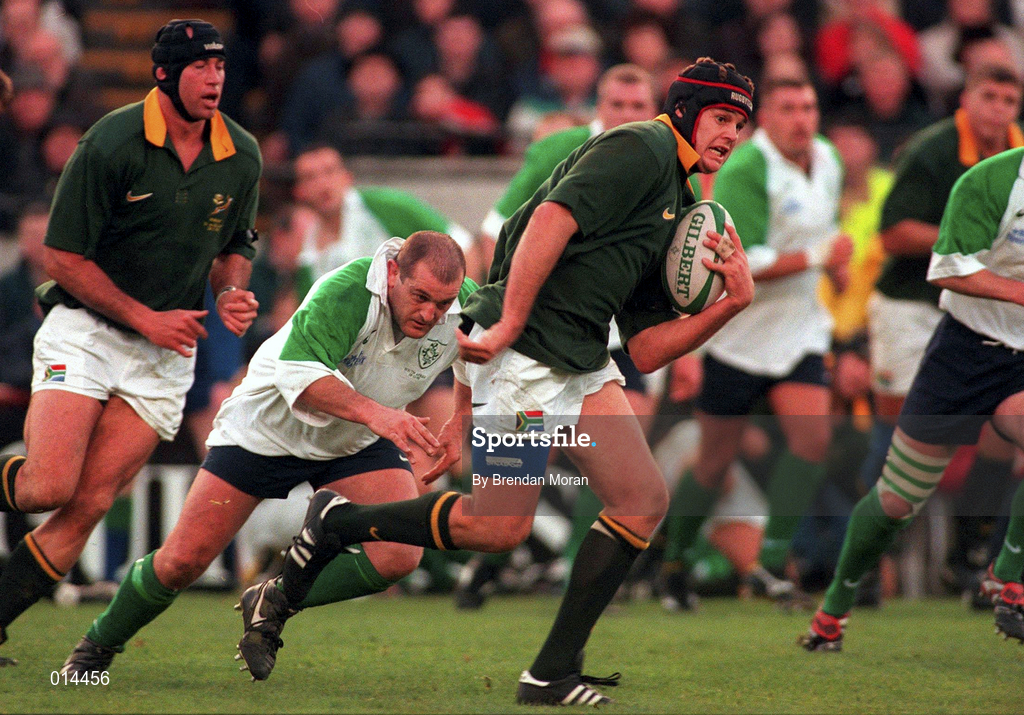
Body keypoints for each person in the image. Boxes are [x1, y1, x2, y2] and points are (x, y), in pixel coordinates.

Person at [244, 58, 756, 706]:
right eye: (722, 117)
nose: (732, 132)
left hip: (580, 357)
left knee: (641, 499)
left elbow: (649, 348)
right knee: (496, 528)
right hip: (525, 354)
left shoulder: (680, 199)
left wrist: (730, 303)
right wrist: (510, 323)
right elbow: (548, 219)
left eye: (741, 122)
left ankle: (551, 672)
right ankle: (341, 523)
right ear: (685, 111)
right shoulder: (643, 145)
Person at [58, 231, 478, 676]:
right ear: (394, 272)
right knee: (183, 561)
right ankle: (95, 648)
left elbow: (476, 356)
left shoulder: (462, 306)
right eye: (421, 297)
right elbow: (302, 378)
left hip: (356, 437)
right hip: (266, 432)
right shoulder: (346, 290)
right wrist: (380, 416)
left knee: (398, 554)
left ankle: (276, 597)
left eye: (443, 302)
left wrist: (458, 421)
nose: (432, 314)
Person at [0, 19, 262, 666]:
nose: (215, 79)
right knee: (46, 487)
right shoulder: (111, 140)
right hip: (87, 330)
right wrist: (145, 317)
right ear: (164, 74)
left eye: (220, 67)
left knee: (89, 504)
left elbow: (236, 247)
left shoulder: (242, 153)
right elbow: (61, 256)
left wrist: (230, 291)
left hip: (164, 352)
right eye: (200, 67)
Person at [801, 145, 1024, 652]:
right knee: (896, 501)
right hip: (963, 353)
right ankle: (834, 609)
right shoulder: (992, 180)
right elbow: (946, 267)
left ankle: (1009, 577)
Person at [658, 76, 851, 609]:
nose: (802, 118)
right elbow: (742, 262)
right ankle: (674, 562)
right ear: (765, 118)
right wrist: (818, 259)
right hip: (737, 333)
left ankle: (770, 563)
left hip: (801, 329)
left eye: (809, 106)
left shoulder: (829, 160)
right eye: (788, 108)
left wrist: (835, 268)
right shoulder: (747, 168)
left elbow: (827, 234)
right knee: (714, 462)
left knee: (811, 440)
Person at [861, 63, 1024, 598]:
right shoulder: (932, 148)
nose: (998, 109)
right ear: (966, 100)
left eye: (1008, 99)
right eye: (989, 96)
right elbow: (892, 232)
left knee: (1004, 433)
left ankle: (970, 553)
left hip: (987, 314)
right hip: (909, 304)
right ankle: (868, 567)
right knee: (902, 434)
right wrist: (967, 242)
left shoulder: (1016, 154)